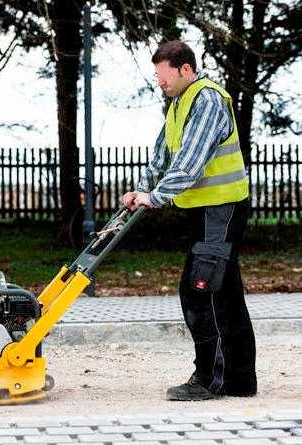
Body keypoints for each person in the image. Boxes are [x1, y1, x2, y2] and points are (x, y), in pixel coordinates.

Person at [123, 40, 257, 401]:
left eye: (164, 77)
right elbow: (164, 155)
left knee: (200, 289)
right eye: (157, 77)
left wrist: (157, 197)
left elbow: (190, 162)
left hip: (221, 209)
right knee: (225, 292)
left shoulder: (208, 99)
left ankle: (209, 381)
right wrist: (141, 189)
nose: (160, 83)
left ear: (185, 69)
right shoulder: (179, 105)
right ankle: (240, 380)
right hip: (205, 211)